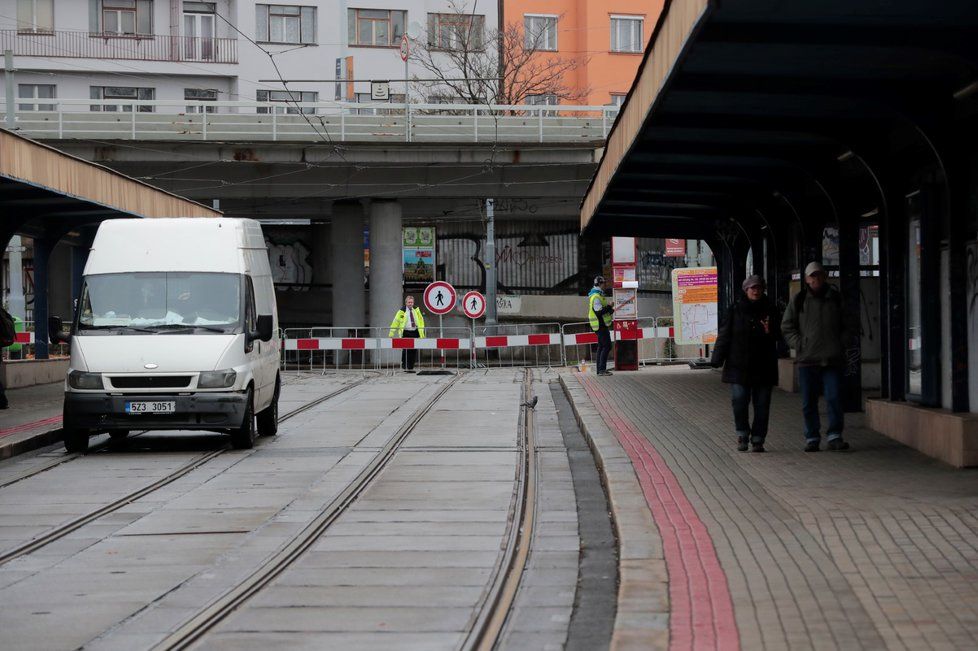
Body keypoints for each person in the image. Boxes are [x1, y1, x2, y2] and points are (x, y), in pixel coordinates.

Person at [781, 261, 854, 452]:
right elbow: (787, 326)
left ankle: (835, 435)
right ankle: (812, 437)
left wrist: (842, 342)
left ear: (825, 276)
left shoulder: (835, 298)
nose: (816, 279)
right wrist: (799, 343)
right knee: (808, 402)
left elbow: (849, 323)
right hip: (808, 359)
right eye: (812, 276)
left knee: (834, 397)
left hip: (832, 358)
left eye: (819, 275)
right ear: (806, 279)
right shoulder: (799, 300)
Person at [710, 275, 781, 452]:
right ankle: (742, 433)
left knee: (762, 404)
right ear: (746, 290)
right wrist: (717, 358)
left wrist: (769, 331)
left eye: (758, 288)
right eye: (752, 288)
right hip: (738, 364)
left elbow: (779, 334)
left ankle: (758, 438)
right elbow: (725, 335)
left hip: (764, 365)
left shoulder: (771, 310)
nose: (755, 291)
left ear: (763, 289)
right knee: (739, 400)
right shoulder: (735, 310)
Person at [389, 296, 425, 372]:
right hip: (406, 332)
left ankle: (410, 367)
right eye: (409, 302)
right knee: (406, 350)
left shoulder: (416, 310)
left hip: (415, 332)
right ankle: (405, 366)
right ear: (406, 303)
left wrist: (421, 332)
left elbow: (421, 321)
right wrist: (391, 333)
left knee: (413, 351)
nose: (410, 304)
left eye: (411, 302)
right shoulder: (401, 311)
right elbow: (395, 322)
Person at [588, 275, 614, 376]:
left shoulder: (599, 295)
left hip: (601, 324)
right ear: (599, 284)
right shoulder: (596, 297)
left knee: (601, 346)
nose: (605, 285)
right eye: (604, 283)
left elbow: (603, 310)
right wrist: (609, 306)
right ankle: (602, 370)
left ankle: (600, 370)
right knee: (607, 346)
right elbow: (599, 312)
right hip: (599, 325)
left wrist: (610, 309)